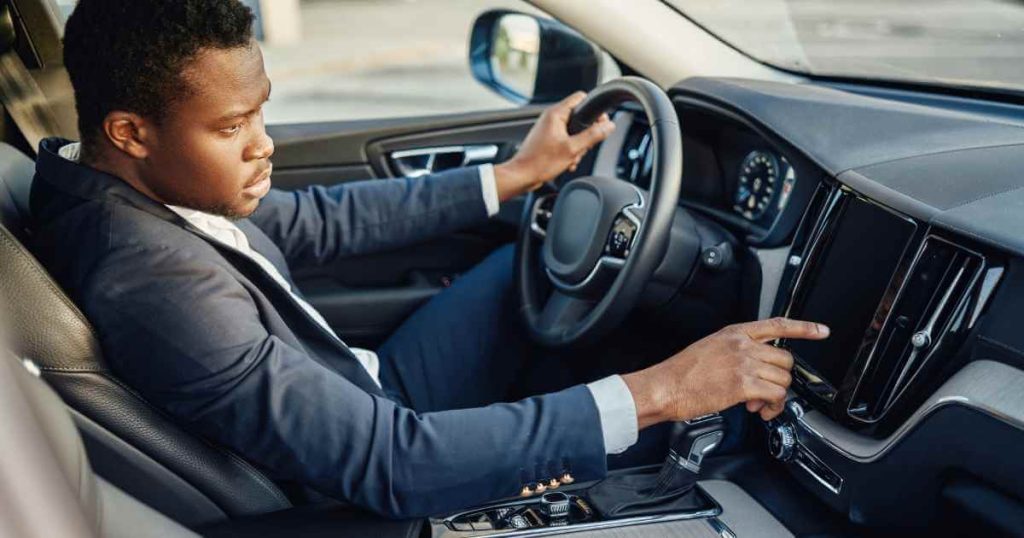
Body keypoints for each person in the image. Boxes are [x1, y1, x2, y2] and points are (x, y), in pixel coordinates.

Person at [30, 0, 829, 518]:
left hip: (363, 382)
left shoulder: (115, 184)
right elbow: (393, 464)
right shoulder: (152, 281)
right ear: (130, 132)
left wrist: (511, 177)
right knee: (655, 410)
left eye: (261, 111)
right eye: (233, 126)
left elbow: (312, 220)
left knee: (534, 248)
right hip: (369, 474)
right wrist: (664, 390)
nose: (264, 143)